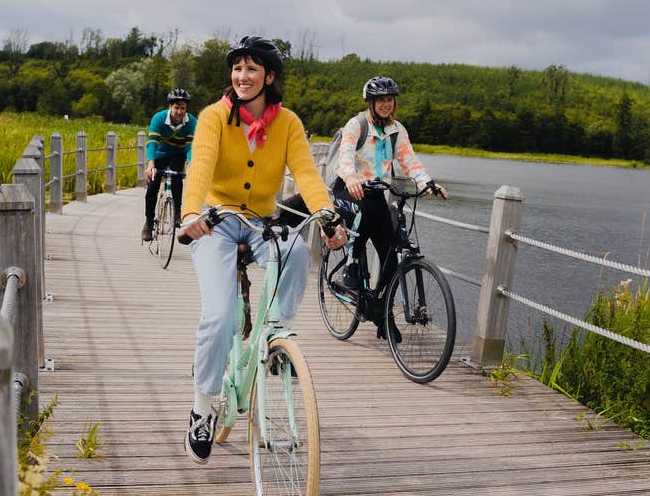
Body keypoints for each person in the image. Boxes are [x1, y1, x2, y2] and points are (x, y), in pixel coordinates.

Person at [179, 36, 347, 464]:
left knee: (293, 250)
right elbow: (200, 165)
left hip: (261, 220)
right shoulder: (216, 117)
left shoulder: (287, 122)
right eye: (237, 68)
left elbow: (307, 175)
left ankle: (275, 334)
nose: (242, 76)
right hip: (215, 221)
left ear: (269, 77)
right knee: (218, 317)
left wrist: (327, 214)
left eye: (252, 69)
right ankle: (202, 408)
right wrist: (189, 215)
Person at [333, 76, 448, 341]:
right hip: (349, 189)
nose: (385, 104)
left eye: (389, 99)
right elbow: (345, 156)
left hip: (376, 194)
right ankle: (351, 268)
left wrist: (427, 182)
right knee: (362, 216)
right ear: (370, 103)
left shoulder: (397, 130)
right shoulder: (357, 124)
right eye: (380, 100)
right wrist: (351, 177)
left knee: (391, 255)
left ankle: (382, 313)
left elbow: (410, 161)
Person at [142, 88, 195, 242]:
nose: (180, 111)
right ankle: (148, 221)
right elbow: (152, 143)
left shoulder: (192, 122)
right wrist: (151, 164)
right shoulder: (158, 119)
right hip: (160, 154)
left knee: (177, 176)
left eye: (183, 108)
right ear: (170, 107)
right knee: (153, 185)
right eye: (176, 107)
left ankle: (177, 212)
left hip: (179, 154)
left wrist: (190, 163)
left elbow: (192, 146)